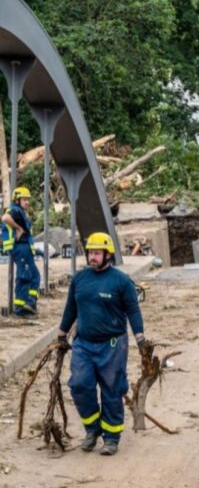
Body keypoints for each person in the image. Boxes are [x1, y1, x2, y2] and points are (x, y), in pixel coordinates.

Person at [57, 232, 148, 456]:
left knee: (112, 391)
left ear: (108, 254)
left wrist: (140, 338)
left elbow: (133, 311)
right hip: (83, 345)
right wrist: (61, 334)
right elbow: (71, 308)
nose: (92, 257)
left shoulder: (121, 281)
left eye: (97, 253)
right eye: (90, 252)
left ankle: (111, 437)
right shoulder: (79, 279)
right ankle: (92, 429)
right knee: (79, 385)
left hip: (113, 346)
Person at [2, 187, 40, 316]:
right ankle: (20, 308)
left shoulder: (20, 211)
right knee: (24, 276)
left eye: (28, 200)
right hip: (20, 246)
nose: (27, 202)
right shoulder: (14, 210)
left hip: (25, 247)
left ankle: (30, 302)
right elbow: (5, 218)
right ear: (17, 200)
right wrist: (18, 228)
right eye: (24, 199)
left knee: (34, 275)